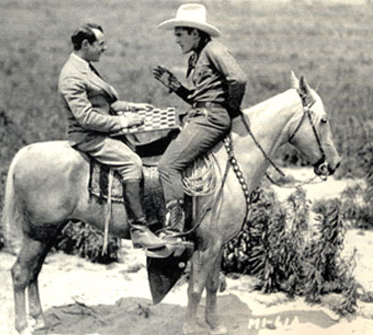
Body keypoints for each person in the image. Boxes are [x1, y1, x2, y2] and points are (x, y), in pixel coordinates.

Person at [58, 23, 166, 250]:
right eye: (101, 44)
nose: (104, 48)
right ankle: (139, 229)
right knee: (132, 164)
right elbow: (86, 117)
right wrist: (124, 122)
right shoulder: (72, 75)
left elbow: (104, 103)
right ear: (86, 44)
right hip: (88, 137)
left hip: (102, 130)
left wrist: (134, 107)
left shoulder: (85, 67)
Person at [153, 3, 247, 236]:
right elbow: (201, 99)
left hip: (210, 119)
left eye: (180, 34)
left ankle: (174, 228)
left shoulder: (214, 49)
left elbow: (238, 79)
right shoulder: (198, 55)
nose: (176, 39)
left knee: (168, 166)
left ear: (195, 33)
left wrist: (231, 109)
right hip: (202, 115)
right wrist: (175, 87)